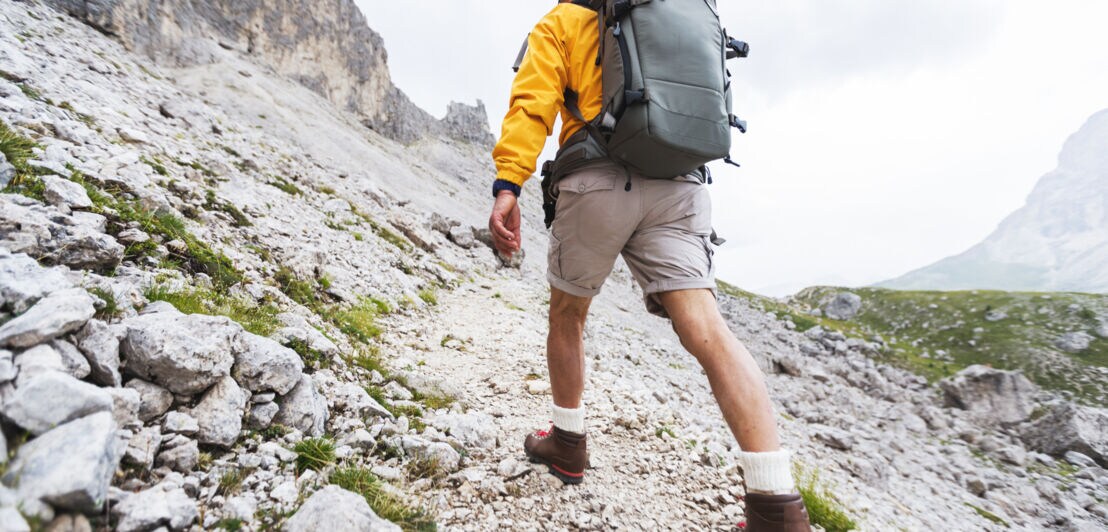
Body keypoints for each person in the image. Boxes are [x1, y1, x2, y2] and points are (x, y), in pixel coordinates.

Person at [487, 1, 812, 530]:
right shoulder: (678, 12)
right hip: (681, 182)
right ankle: (776, 504)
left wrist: (508, 184)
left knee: (568, 315)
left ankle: (568, 445)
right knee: (710, 332)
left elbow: (533, 104)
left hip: (595, 179)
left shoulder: (564, 20)